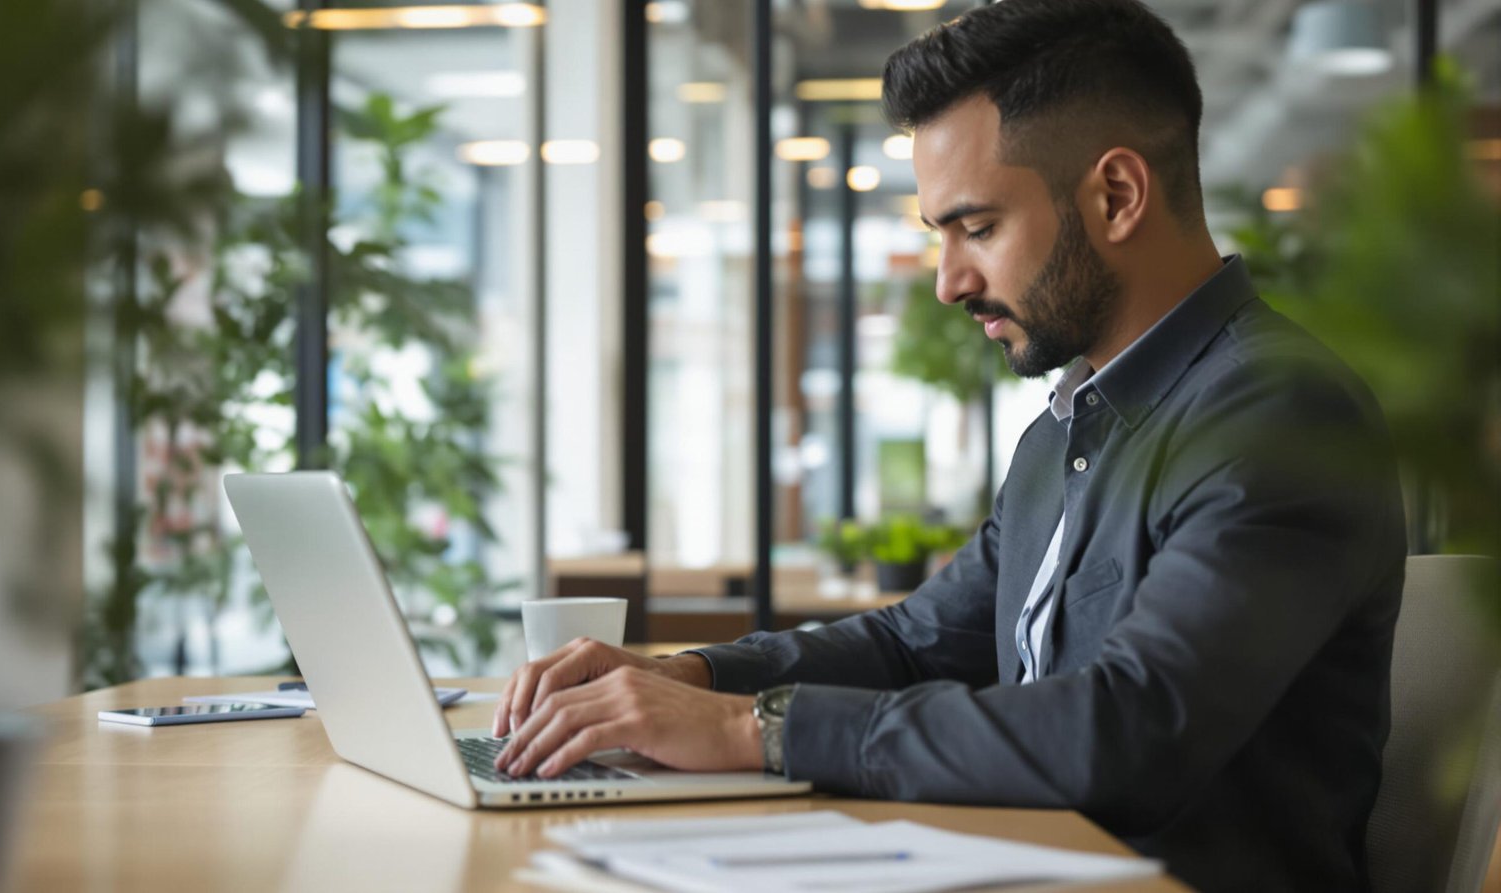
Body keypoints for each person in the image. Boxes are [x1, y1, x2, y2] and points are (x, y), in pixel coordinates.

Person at [492, 1, 1405, 889]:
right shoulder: (1069, 430)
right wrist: (684, 677)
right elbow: (914, 643)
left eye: (979, 227)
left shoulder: (1280, 413)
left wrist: (750, 731)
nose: (948, 281)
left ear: (1117, 194)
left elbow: (1129, 731)